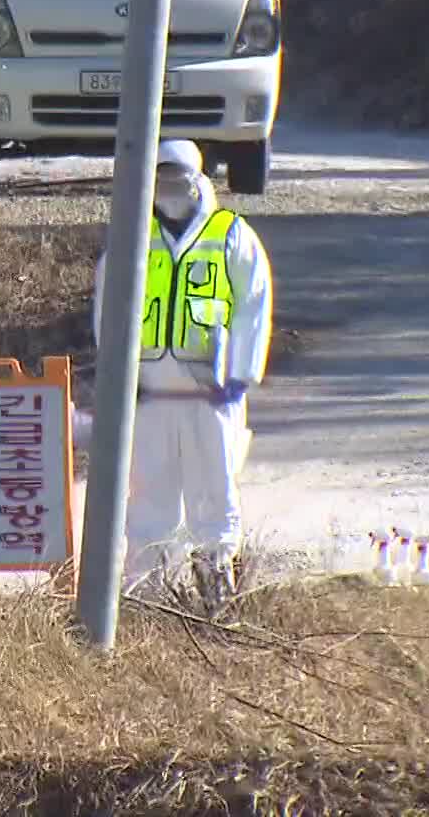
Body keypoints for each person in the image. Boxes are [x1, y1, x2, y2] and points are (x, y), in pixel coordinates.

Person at [91, 139, 273, 606]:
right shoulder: (133, 235)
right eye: (162, 177)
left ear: (199, 180)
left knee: (214, 493)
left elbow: (254, 305)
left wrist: (240, 374)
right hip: (149, 395)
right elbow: (109, 309)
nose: (171, 187)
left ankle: (217, 588)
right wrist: (117, 377)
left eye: (179, 177)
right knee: (149, 496)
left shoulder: (231, 234)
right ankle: (147, 592)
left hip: (211, 395)